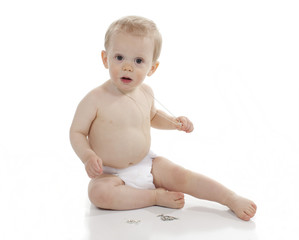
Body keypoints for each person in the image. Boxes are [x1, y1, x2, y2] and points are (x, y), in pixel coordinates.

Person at [69, 16, 257, 221]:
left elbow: (153, 116)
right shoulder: (95, 98)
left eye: (138, 61)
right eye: (119, 57)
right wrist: (87, 156)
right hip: (110, 174)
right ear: (106, 59)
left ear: (152, 68)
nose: (128, 67)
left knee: (183, 176)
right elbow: (77, 132)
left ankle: (230, 198)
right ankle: (153, 197)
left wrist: (174, 123)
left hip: (147, 163)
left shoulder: (146, 92)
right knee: (99, 194)